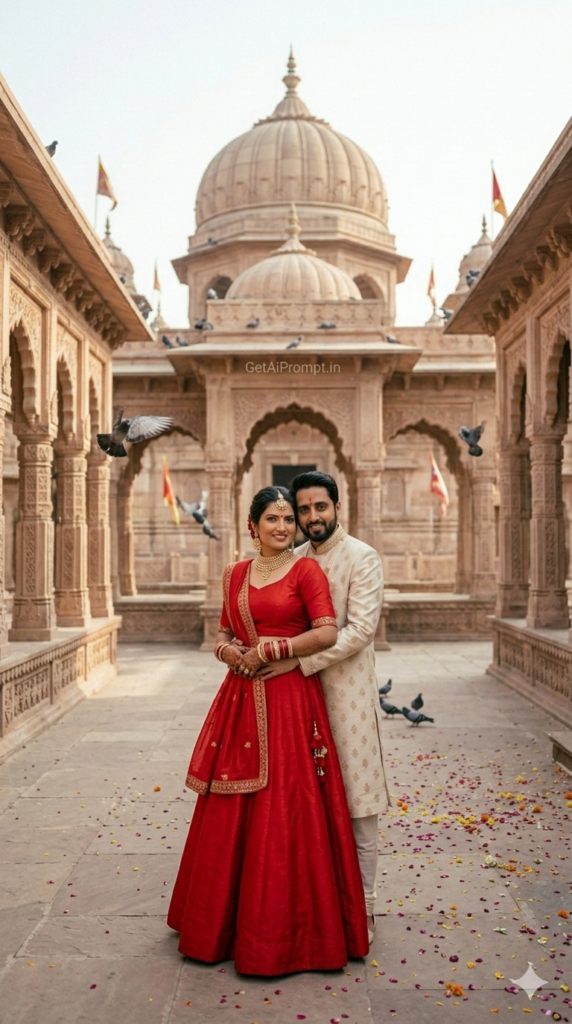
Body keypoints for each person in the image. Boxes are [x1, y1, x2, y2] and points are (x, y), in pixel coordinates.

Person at [167, 485, 368, 976]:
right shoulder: (235, 573)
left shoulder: (306, 570)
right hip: (240, 699)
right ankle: (220, 925)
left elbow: (326, 631)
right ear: (252, 524)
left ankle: (289, 931)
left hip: (289, 701)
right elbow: (222, 634)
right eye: (272, 519)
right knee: (230, 808)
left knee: (286, 804)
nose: (283, 527)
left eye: (288, 519)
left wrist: (272, 651)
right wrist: (230, 653)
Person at [258, 472, 391, 945]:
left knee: (359, 802)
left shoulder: (362, 557)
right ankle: (314, 907)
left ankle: (367, 909)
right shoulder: (290, 560)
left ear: (337, 506)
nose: (312, 518)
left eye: (321, 507)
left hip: (347, 696)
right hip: (296, 702)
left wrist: (297, 659)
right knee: (306, 806)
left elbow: (360, 631)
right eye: (304, 510)